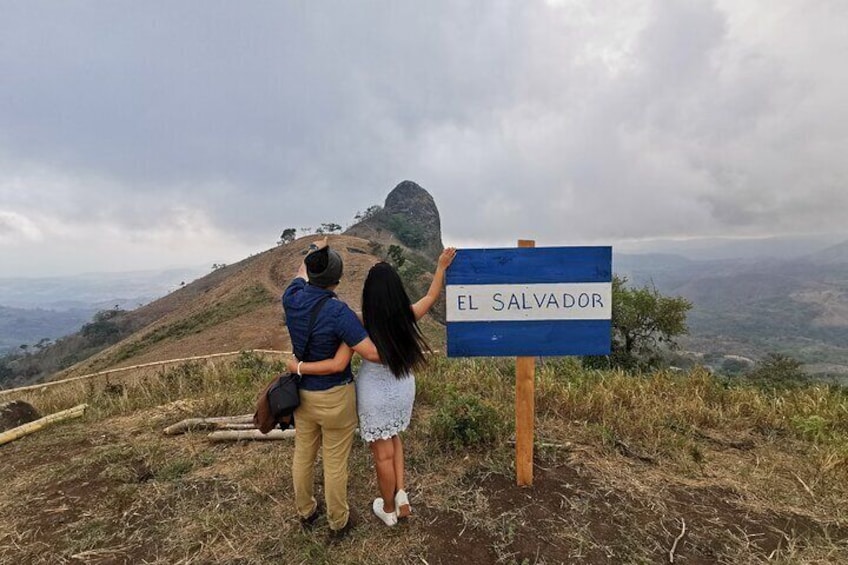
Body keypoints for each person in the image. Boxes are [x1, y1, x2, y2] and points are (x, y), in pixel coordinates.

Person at [290, 246, 456, 527]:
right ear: (397, 291)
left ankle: (388, 508)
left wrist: (313, 265)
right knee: (395, 438)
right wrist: (440, 267)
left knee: (382, 453)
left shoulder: (360, 320)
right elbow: (430, 295)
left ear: (369, 295)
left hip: (374, 392)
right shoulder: (406, 315)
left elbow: (345, 340)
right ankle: (401, 494)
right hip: (403, 386)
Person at [282, 237, 381, 539]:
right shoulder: (339, 312)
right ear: (337, 280)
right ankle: (338, 521)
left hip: (302, 395)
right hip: (335, 397)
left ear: (310, 273)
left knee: (303, 454)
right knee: (335, 462)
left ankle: (306, 511)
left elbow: (301, 271)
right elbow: (372, 353)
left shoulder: (292, 296)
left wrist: (315, 250)